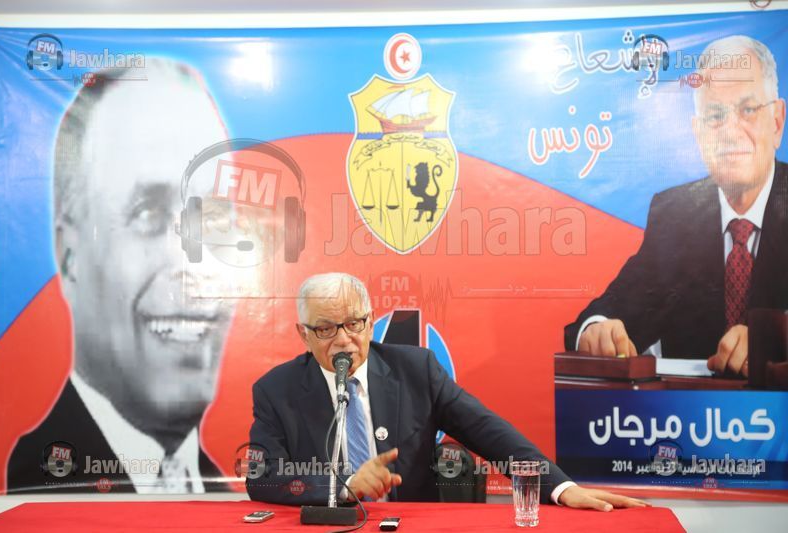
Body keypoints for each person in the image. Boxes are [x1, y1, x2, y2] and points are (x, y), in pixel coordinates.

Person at [7, 59, 235, 493]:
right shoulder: (34, 487)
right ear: (69, 255)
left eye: (214, 218)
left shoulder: (229, 492)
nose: (194, 261)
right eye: (148, 212)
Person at [246, 272, 647, 511]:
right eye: (325, 328)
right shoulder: (276, 390)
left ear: (370, 322)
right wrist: (343, 487)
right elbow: (263, 478)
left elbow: (489, 433)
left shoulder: (416, 370)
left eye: (353, 324)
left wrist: (562, 488)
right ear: (303, 334)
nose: (343, 340)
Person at [565, 35, 788, 378]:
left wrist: (774, 337)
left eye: (747, 110)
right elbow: (623, 303)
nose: (730, 132)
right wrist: (597, 329)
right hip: (689, 411)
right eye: (715, 116)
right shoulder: (675, 214)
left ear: (776, 122)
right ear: (698, 134)